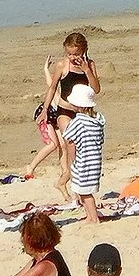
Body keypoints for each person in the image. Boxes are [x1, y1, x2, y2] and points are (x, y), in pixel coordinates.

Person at [26, 31, 101, 187]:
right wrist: (45, 110)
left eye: (76, 54)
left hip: (83, 112)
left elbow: (96, 89)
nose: (73, 57)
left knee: (84, 147)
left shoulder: (90, 64)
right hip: (64, 111)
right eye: (69, 54)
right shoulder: (62, 65)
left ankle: (78, 180)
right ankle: (75, 184)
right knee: (70, 144)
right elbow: (52, 88)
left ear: (84, 50)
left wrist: (86, 70)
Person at [63, 85, 106, 221]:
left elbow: (70, 142)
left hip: (84, 161)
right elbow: (101, 140)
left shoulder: (78, 122)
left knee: (85, 193)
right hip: (95, 160)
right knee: (84, 190)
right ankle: (89, 216)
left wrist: (71, 161)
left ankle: (93, 218)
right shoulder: (98, 120)